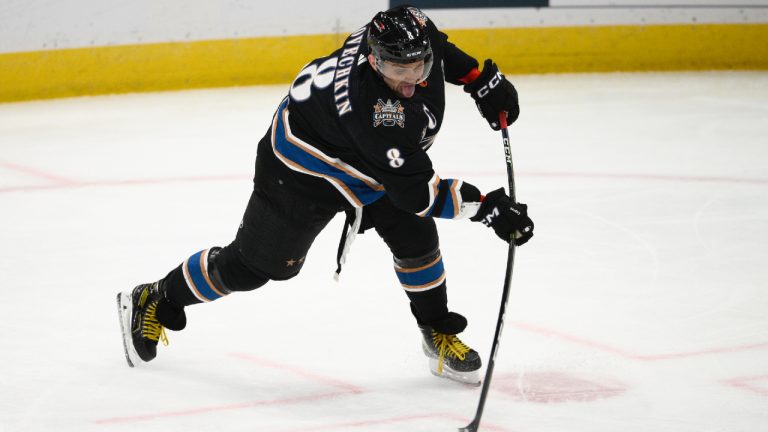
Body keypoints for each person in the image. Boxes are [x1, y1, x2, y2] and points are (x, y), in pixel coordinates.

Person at [117, 5, 533, 386]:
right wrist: (489, 209)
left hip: (364, 160)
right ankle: (157, 296)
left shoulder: (408, 35)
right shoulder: (374, 113)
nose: (410, 82)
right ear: (373, 60)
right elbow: (421, 194)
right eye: (396, 70)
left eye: (417, 68)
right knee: (253, 267)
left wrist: (478, 80)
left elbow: (437, 47)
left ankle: (437, 331)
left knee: (416, 238)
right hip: (301, 173)